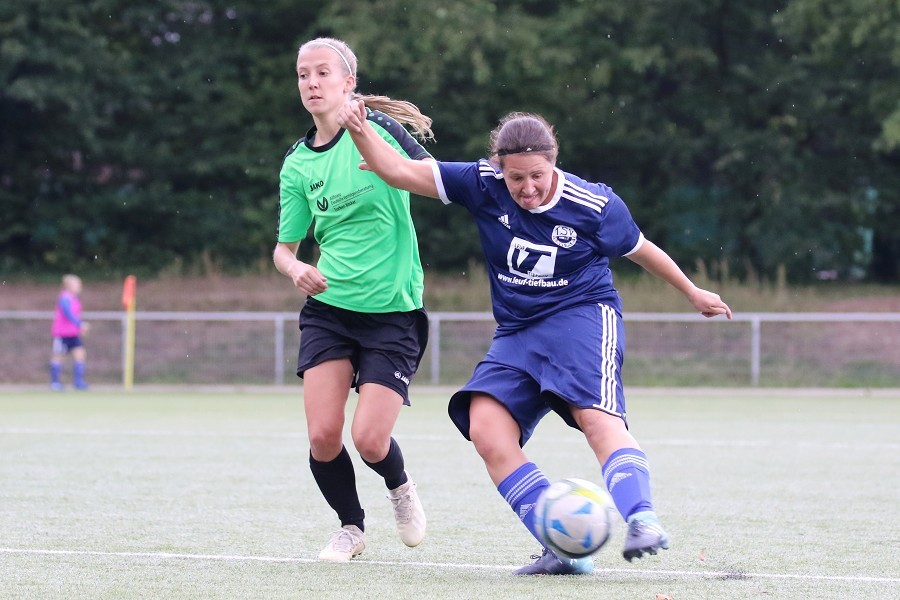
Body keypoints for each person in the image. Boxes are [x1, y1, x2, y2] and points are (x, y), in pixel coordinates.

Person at [337, 105, 733, 575]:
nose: (526, 188)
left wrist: (692, 292)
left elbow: (641, 250)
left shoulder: (595, 205)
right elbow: (398, 170)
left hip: (582, 316)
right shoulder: (481, 183)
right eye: (515, 178)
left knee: (595, 417)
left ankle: (642, 518)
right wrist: (359, 130)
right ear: (499, 169)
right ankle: (563, 548)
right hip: (517, 331)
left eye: (537, 176)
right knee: (486, 428)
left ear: (554, 161)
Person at [273, 37, 435, 562]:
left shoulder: (378, 130)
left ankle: (401, 488)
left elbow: (433, 178)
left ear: (348, 83)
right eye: (303, 75)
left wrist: (382, 159)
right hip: (330, 311)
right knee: (323, 435)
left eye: (323, 73)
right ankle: (350, 527)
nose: (312, 82)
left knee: (369, 440)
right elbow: (284, 249)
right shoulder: (297, 165)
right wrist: (297, 268)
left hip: (393, 311)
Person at [50, 274, 89, 391]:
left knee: (80, 354)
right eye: (77, 284)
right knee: (58, 357)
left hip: (73, 334)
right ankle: (55, 383)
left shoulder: (74, 298)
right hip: (62, 334)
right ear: (69, 286)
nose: (79, 287)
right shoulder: (64, 298)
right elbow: (68, 313)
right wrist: (80, 324)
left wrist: (78, 328)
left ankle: (78, 382)